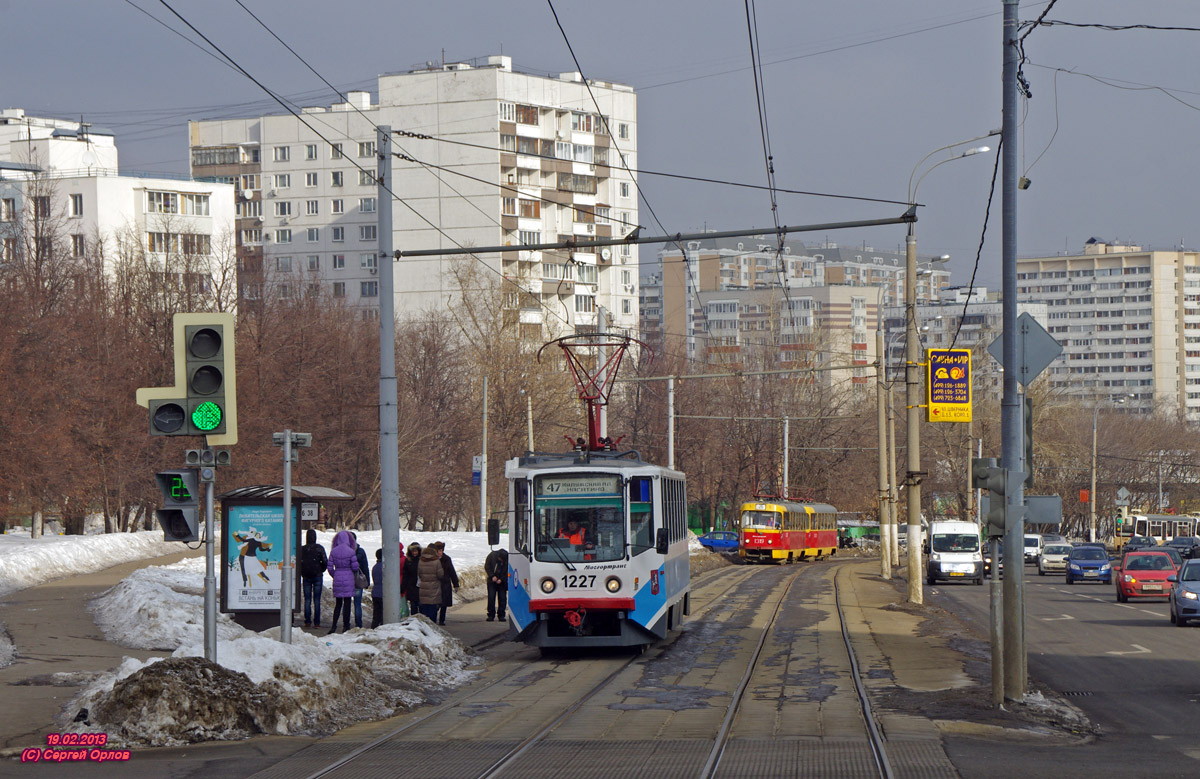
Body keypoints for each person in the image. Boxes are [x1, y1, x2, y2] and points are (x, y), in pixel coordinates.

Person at [326, 530, 360, 634]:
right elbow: (355, 567)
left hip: (338, 578)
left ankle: (334, 626)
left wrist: (335, 575)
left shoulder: (334, 551)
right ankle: (346, 625)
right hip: (348, 577)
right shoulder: (351, 551)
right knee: (347, 603)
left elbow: (330, 567)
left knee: (338, 604)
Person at [299, 528, 328, 628]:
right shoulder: (319, 548)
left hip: (306, 576)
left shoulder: (302, 549)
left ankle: (307, 621)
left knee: (307, 600)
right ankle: (317, 622)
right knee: (317, 600)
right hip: (317, 576)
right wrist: (321, 570)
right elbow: (325, 562)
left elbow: (299, 563)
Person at [434, 541, 460, 626]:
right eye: (438, 551)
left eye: (441, 550)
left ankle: (442, 620)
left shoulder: (447, 559)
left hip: (445, 584)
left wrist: (455, 583)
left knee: (444, 603)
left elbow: (452, 572)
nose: (439, 553)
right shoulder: (432, 559)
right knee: (436, 603)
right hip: (435, 584)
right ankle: (434, 618)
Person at [416, 543, 444, 622]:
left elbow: (419, 574)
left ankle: (425, 625)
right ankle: (432, 625)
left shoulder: (421, 561)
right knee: (433, 608)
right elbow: (440, 574)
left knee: (425, 608)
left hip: (424, 587)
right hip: (434, 587)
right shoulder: (437, 561)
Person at [350, 531, 370, 629]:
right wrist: (367, 581)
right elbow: (365, 566)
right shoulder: (361, 551)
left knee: (346, 603)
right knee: (357, 604)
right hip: (358, 580)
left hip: (347, 580)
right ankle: (358, 624)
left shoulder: (343, 551)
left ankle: (346, 623)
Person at [484, 547, 509, 622]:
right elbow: (487, 566)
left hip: (502, 582)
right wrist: (492, 576)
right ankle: (491, 614)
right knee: (491, 597)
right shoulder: (492, 556)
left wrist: (501, 579)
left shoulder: (508, 560)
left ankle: (501, 615)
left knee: (502, 598)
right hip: (492, 581)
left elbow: (508, 570)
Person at [402, 542, 422, 617]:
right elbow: (405, 574)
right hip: (411, 586)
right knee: (413, 605)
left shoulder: (421, 560)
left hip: (420, 585)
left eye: (416, 551)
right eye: (413, 551)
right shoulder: (408, 561)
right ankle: (414, 620)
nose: (414, 553)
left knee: (420, 605)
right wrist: (403, 586)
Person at [370, 548, 384, 628]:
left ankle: (373, 628)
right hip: (383, 593)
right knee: (383, 615)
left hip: (375, 592)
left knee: (376, 614)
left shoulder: (375, 567)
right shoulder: (385, 567)